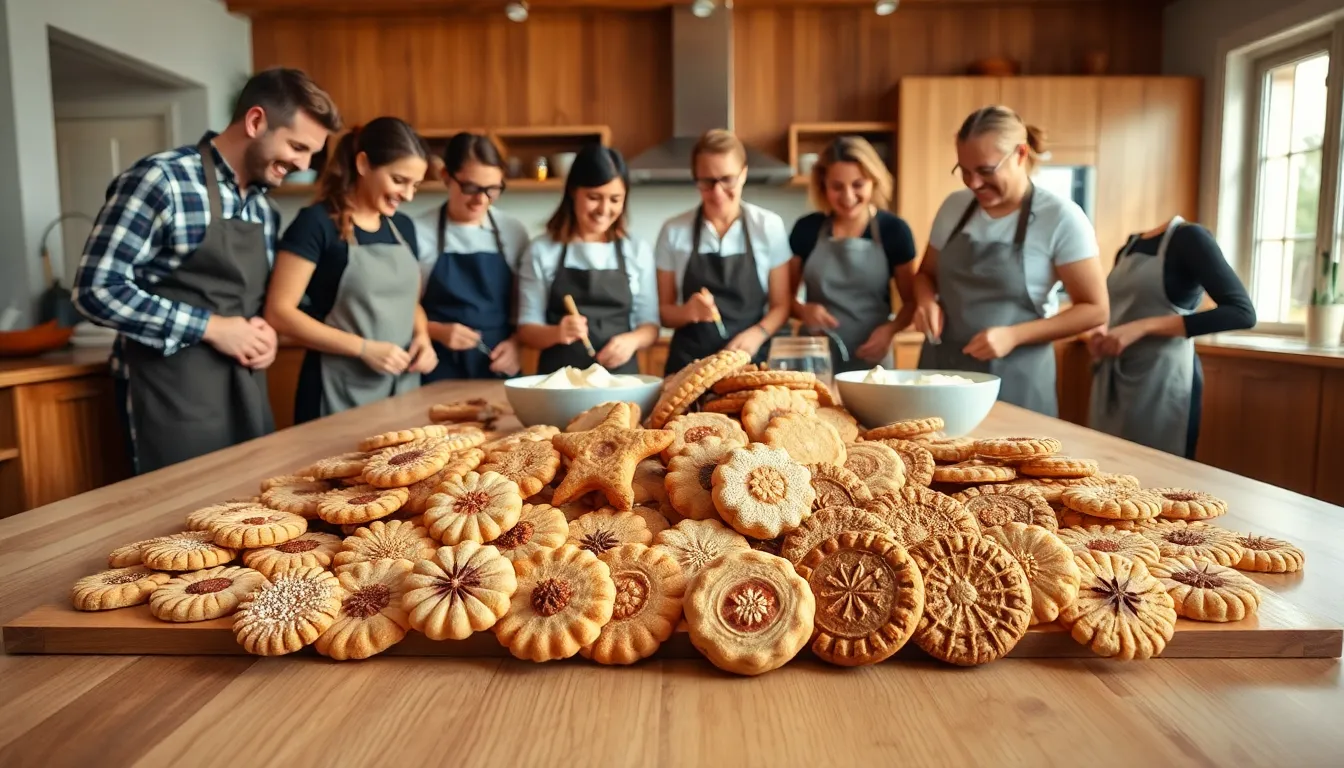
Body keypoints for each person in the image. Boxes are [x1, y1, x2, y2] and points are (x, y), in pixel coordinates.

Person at [72, 67, 340, 474]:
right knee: (175, 528)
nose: (303, 164)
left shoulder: (263, 208)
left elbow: (252, 299)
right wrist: (212, 328)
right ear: (255, 121)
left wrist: (264, 331)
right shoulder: (161, 180)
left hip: (247, 391)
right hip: (172, 395)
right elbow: (96, 289)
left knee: (250, 517)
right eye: (298, 147)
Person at [913, 106, 1108, 417]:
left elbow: (1095, 309)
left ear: (1020, 154)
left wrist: (1014, 335)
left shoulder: (1060, 218)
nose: (973, 183)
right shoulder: (954, 207)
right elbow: (925, 275)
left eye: (986, 170)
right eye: (963, 170)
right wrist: (925, 302)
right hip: (942, 377)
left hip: (1017, 384)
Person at [264, 117, 436, 424]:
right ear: (363, 164)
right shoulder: (316, 223)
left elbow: (408, 302)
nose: (409, 195)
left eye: (415, 185)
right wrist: (364, 349)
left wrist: (422, 336)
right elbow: (279, 312)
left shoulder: (403, 227)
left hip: (401, 388)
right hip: (336, 391)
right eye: (399, 180)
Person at [1088, 217, 1256, 458]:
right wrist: (1102, 332)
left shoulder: (1191, 238)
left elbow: (1242, 313)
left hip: (1162, 381)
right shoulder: (1130, 246)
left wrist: (1143, 327)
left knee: (1157, 480)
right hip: (1113, 379)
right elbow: (1122, 309)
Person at [656, 130, 793, 375]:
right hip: (689, 366)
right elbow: (665, 313)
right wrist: (688, 312)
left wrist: (756, 334)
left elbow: (781, 305)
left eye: (727, 179)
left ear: (744, 174)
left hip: (750, 363)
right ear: (695, 178)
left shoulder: (768, 226)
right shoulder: (673, 231)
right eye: (706, 182)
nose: (717, 192)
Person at [516, 144, 658, 375]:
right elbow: (526, 329)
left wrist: (632, 340)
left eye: (615, 199)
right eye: (594, 197)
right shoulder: (542, 250)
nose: (604, 209)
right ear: (573, 191)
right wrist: (557, 333)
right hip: (560, 384)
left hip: (621, 381)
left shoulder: (637, 249)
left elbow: (649, 325)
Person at [788, 136, 919, 374]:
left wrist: (889, 331)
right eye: (837, 187)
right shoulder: (806, 230)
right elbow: (784, 297)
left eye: (858, 184)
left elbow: (911, 302)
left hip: (873, 361)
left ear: (873, 181)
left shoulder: (894, 231)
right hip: (815, 360)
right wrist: (803, 311)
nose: (848, 197)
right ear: (823, 186)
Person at [414, 132, 530, 380]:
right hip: (437, 368)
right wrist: (436, 331)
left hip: (498, 366)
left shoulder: (513, 231)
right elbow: (406, 306)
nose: (481, 199)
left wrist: (517, 345)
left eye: (492, 189)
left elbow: (527, 307)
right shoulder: (418, 232)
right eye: (470, 187)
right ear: (446, 176)